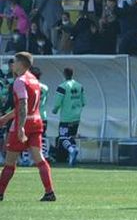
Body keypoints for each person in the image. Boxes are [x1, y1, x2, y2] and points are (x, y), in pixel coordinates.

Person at [0, 52, 55, 202]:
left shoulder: (20, 81)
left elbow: (23, 105)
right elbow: (25, 106)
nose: (12, 64)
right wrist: (5, 118)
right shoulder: (34, 80)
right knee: (39, 159)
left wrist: (20, 127)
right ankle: (49, 192)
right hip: (37, 121)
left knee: (10, 161)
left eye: (15, 62)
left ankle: (0, 192)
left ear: (22, 64)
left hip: (24, 123)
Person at [52, 67, 84, 166]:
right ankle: (72, 156)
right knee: (71, 137)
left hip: (66, 117)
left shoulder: (62, 86)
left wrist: (55, 109)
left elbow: (58, 102)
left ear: (64, 74)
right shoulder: (79, 86)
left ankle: (72, 150)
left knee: (63, 137)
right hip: (77, 117)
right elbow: (83, 102)